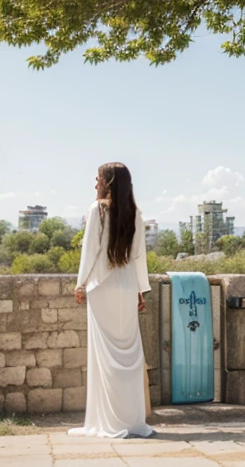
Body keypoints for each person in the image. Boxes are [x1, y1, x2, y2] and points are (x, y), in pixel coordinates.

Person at [68, 162, 154, 439]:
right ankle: (132, 421)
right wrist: (140, 289)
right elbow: (139, 256)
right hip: (127, 289)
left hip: (102, 288)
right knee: (128, 355)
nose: (95, 184)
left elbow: (90, 252)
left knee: (103, 358)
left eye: (98, 179)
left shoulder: (98, 210)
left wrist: (80, 283)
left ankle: (105, 422)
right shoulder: (135, 213)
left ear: (109, 181)